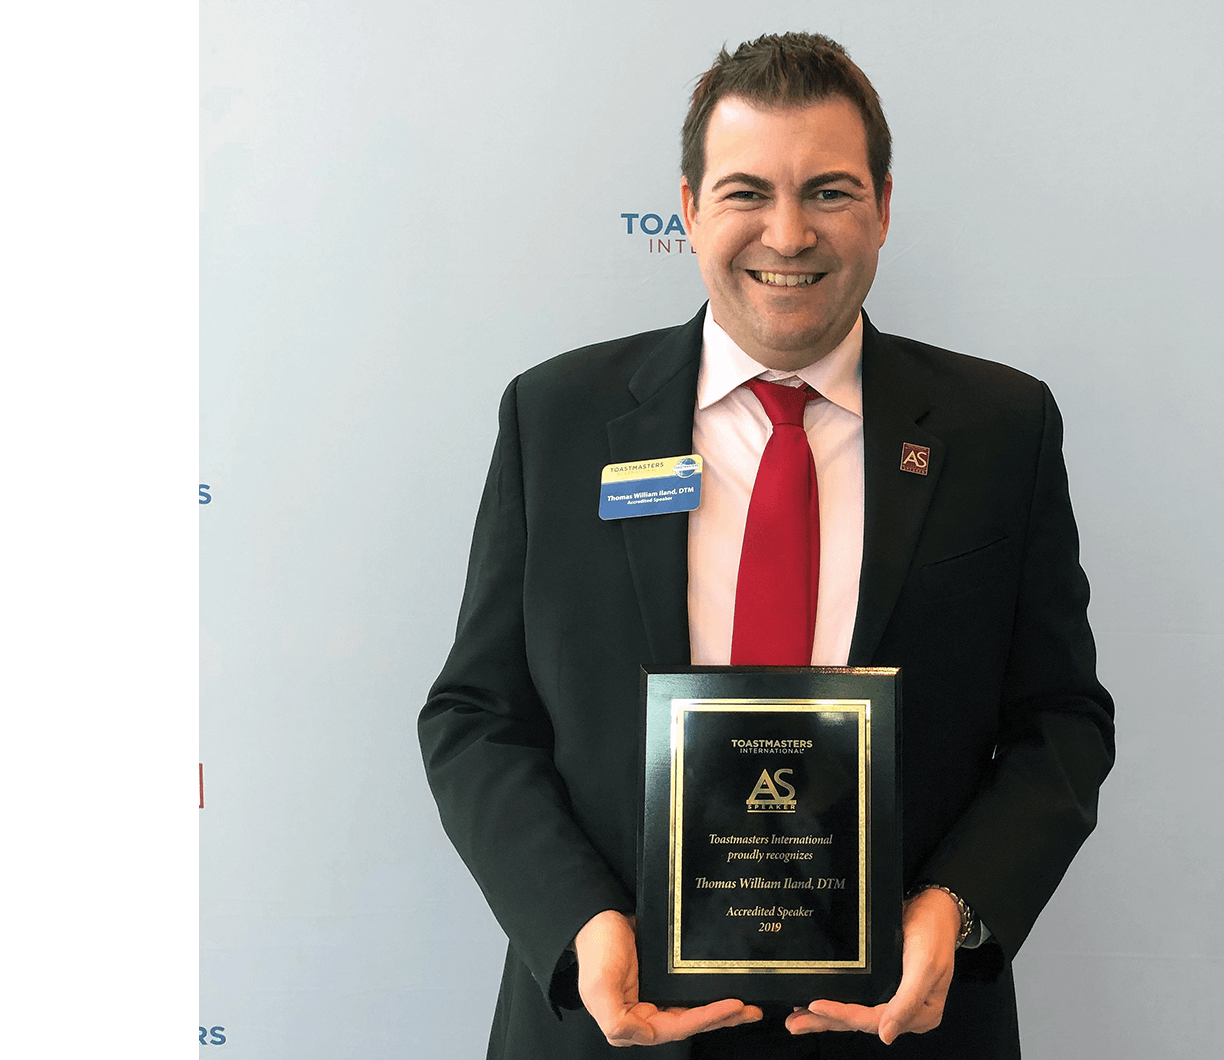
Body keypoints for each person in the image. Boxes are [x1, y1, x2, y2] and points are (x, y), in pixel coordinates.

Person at [419, 32, 1114, 1059]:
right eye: (748, 192)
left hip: (899, 1021)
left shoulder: (999, 428)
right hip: (616, 1021)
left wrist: (957, 909)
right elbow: (476, 715)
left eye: (828, 192)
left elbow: (1060, 719)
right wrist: (577, 923)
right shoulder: (557, 419)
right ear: (691, 209)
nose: (787, 235)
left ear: (881, 206)